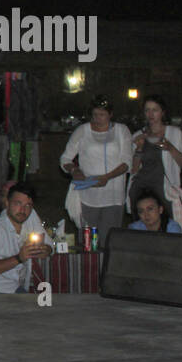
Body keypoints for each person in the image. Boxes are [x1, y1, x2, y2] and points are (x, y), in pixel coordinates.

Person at [59, 95, 132, 248]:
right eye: (95, 115)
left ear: (110, 114)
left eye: (102, 115)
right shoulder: (82, 131)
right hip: (89, 194)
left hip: (113, 195)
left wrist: (107, 177)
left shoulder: (121, 131)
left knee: (109, 241)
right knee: (87, 241)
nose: (98, 118)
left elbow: (127, 162)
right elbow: (65, 158)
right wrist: (74, 169)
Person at [0, 182, 51, 293]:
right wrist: (19, 258)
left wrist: (45, 250)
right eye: (18, 204)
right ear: (7, 203)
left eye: (28, 205)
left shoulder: (30, 218)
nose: (23, 210)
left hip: (14, 287)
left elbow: (49, 245)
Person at [128, 94, 182, 232]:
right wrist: (138, 148)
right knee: (142, 226)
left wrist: (170, 148)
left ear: (163, 112)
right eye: (147, 110)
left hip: (164, 188)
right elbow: (133, 168)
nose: (150, 114)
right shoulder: (138, 135)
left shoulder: (174, 133)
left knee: (166, 226)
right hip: (140, 187)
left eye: (154, 110)